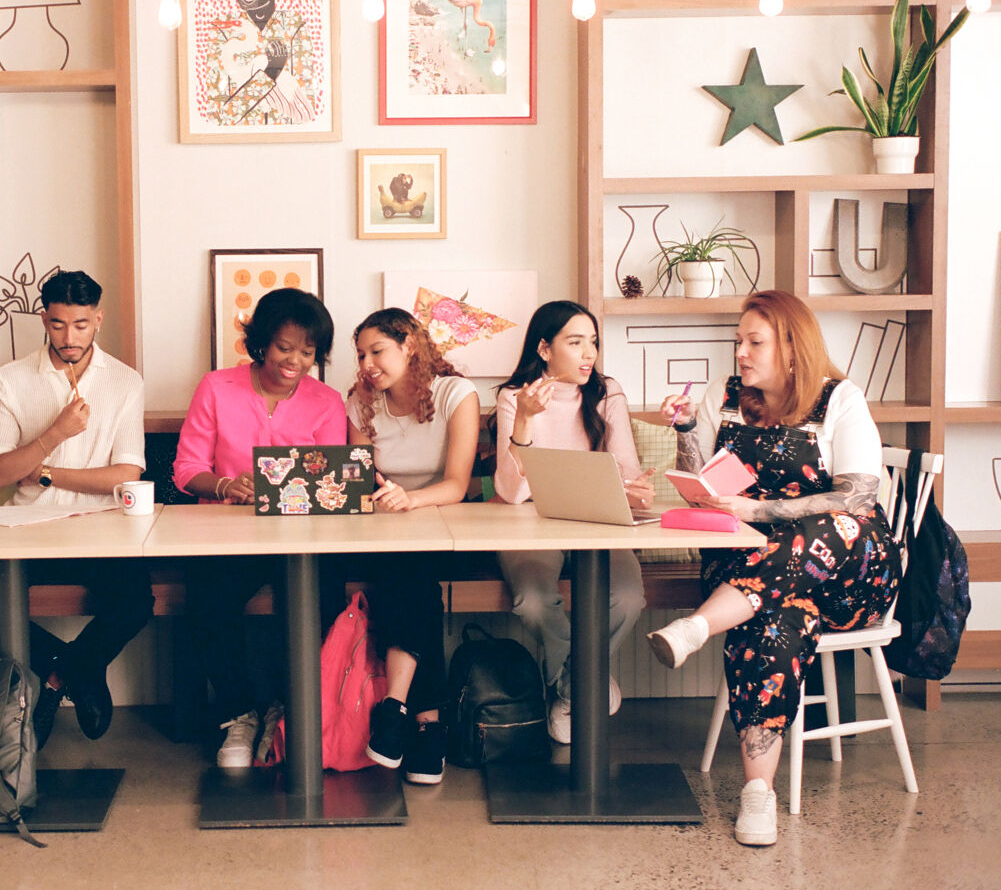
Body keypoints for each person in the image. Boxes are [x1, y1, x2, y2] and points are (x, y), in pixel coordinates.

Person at [645, 290, 902, 847]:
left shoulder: (840, 399)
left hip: (848, 576)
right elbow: (705, 486)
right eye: (738, 340)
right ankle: (758, 792)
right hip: (756, 576)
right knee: (776, 617)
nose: (740, 352)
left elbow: (857, 498)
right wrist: (688, 429)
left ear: (791, 347)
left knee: (836, 526)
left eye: (753, 341)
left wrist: (759, 511)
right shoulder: (726, 395)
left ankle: (698, 625)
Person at [0, 271, 154, 748]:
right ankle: (74, 670)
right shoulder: (12, 378)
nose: (70, 338)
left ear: (98, 321)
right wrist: (55, 434)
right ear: (44, 319)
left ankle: (60, 679)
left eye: (81, 325)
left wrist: (43, 472)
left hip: (101, 528)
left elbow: (127, 475)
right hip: (26, 527)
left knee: (135, 603)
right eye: (59, 324)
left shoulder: (125, 382)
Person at [173, 287, 346, 766]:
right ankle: (239, 711)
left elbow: (332, 482)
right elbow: (186, 469)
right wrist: (227, 485)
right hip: (227, 533)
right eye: (285, 348)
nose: (295, 361)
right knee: (209, 594)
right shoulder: (216, 387)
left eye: (308, 352)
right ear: (262, 343)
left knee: (323, 595)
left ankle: (294, 713)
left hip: (302, 537)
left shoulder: (327, 401)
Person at [492, 300, 653, 744]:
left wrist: (634, 489)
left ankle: (570, 684)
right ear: (544, 348)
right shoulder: (514, 397)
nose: (589, 354)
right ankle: (584, 680)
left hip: (598, 523)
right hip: (531, 524)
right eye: (576, 342)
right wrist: (524, 419)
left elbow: (625, 470)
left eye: (593, 343)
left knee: (627, 597)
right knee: (532, 601)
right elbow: (511, 492)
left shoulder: (607, 393)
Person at [345, 308, 479, 785]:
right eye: (361, 354)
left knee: (411, 573)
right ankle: (426, 724)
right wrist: (383, 495)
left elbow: (459, 484)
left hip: (445, 519)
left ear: (411, 347)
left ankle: (396, 706)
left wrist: (410, 499)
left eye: (377, 351)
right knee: (409, 577)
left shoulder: (455, 394)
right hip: (384, 525)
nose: (367, 364)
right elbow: (357, 476)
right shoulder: (360, 401)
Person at [203, 0, 315, 126]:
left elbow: (306, 112)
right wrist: (271, 72)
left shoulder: (293, 25)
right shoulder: (223, 28)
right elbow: (219, 116)